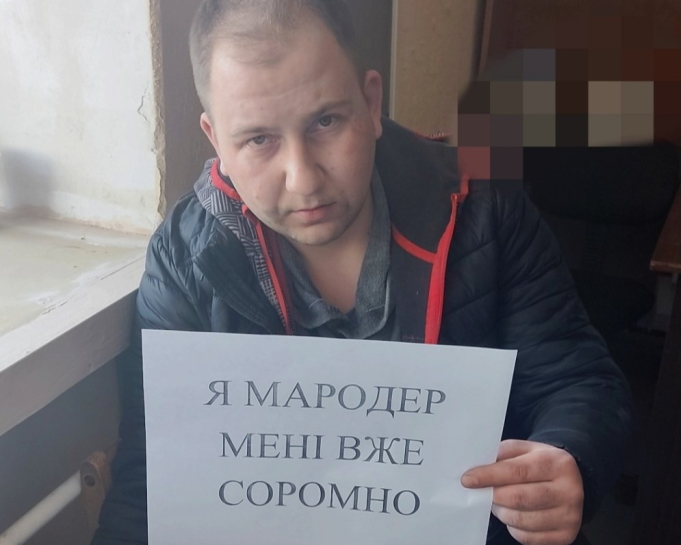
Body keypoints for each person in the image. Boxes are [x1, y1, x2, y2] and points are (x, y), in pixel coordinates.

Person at [91, 1, 633, 544]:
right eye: (258, 139)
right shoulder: (185, 258)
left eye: (325, 121)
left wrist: (570, 459)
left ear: (371, 104)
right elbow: (151, 472)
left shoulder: (485, 211)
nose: (303, 179)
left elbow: (575, 379)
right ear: (216, 141)